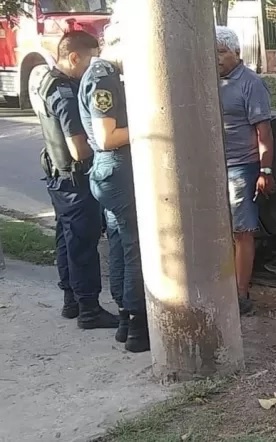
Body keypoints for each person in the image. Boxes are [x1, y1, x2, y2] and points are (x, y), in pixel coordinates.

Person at [31, 31, 119, 329]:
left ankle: (72, 300)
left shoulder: (49, 82)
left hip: (59, 176)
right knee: (82, 243)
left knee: (67, 239)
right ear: (73, 57)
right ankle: (89, 310)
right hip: (74, 179)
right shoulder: (65, 93)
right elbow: (79, 149)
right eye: (91, 60)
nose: (93, 68)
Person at [77, 16, 150, 353]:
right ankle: (138, 325)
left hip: (109, 174)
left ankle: (124, 319)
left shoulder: (101, 74)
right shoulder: (103, 76)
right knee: (136, 247)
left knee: (121, 245)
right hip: (117, 169)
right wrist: (150, 124)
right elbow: (107, 137)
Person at [215, 26, 276, 314]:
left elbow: (264, 130)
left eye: (221, 52)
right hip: (212, 169)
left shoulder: (251, 84)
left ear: (237, 53)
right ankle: (222, 287)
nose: (216, 58)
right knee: (218, 231)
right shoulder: (209, 81)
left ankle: (241, 295)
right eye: (211, 52)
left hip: (241, 168)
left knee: (243, 232)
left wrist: (265, 170)